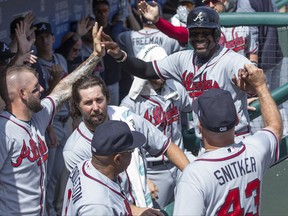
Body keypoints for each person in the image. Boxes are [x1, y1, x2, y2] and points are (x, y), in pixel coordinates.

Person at [103, 6, 255, 144]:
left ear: (216, 34)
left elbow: (255, 77)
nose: (200, 38)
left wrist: (249, 91)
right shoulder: (183, 59)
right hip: (206, 143)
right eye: (195, 33)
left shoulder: (232, 60)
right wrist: (119, 55)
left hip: (236, 139)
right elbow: (146, 70)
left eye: (205, 33)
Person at [0, 22, 104, 215]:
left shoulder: (37, 116)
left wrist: (95, 57)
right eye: (35, 88)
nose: (42, 90)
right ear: (22, 94)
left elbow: (63, 88)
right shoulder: (3, 130)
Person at [63, 73, 190, 212]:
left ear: (107, 98)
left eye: (99, 100)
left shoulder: (127, 118)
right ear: (77, 105)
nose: (95, 107)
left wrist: (194, 175)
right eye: (88, 102)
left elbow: (166, 146)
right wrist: (137, 211)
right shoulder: (75, 149)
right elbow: (94, 194)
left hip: (142, 201)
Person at [173, 64, 283, 215]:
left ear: (199, 126)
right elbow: (275, 127)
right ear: (237, 120)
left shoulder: (195, 174)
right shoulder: (254, 150)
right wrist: (261, 85)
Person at [120, 44, 195, 208]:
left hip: (180, 163)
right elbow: (125, 147)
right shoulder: (131, 103)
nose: (159, 73)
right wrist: (142, 179)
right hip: (152, 172)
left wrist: (234, 102)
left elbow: (199, 105)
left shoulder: (175, 88)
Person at [62, 120, 147, 215]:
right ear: (118, 159)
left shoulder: (84, 166)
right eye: (131, 151)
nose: (132, 154)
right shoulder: (99, 206)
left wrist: (137, 211)